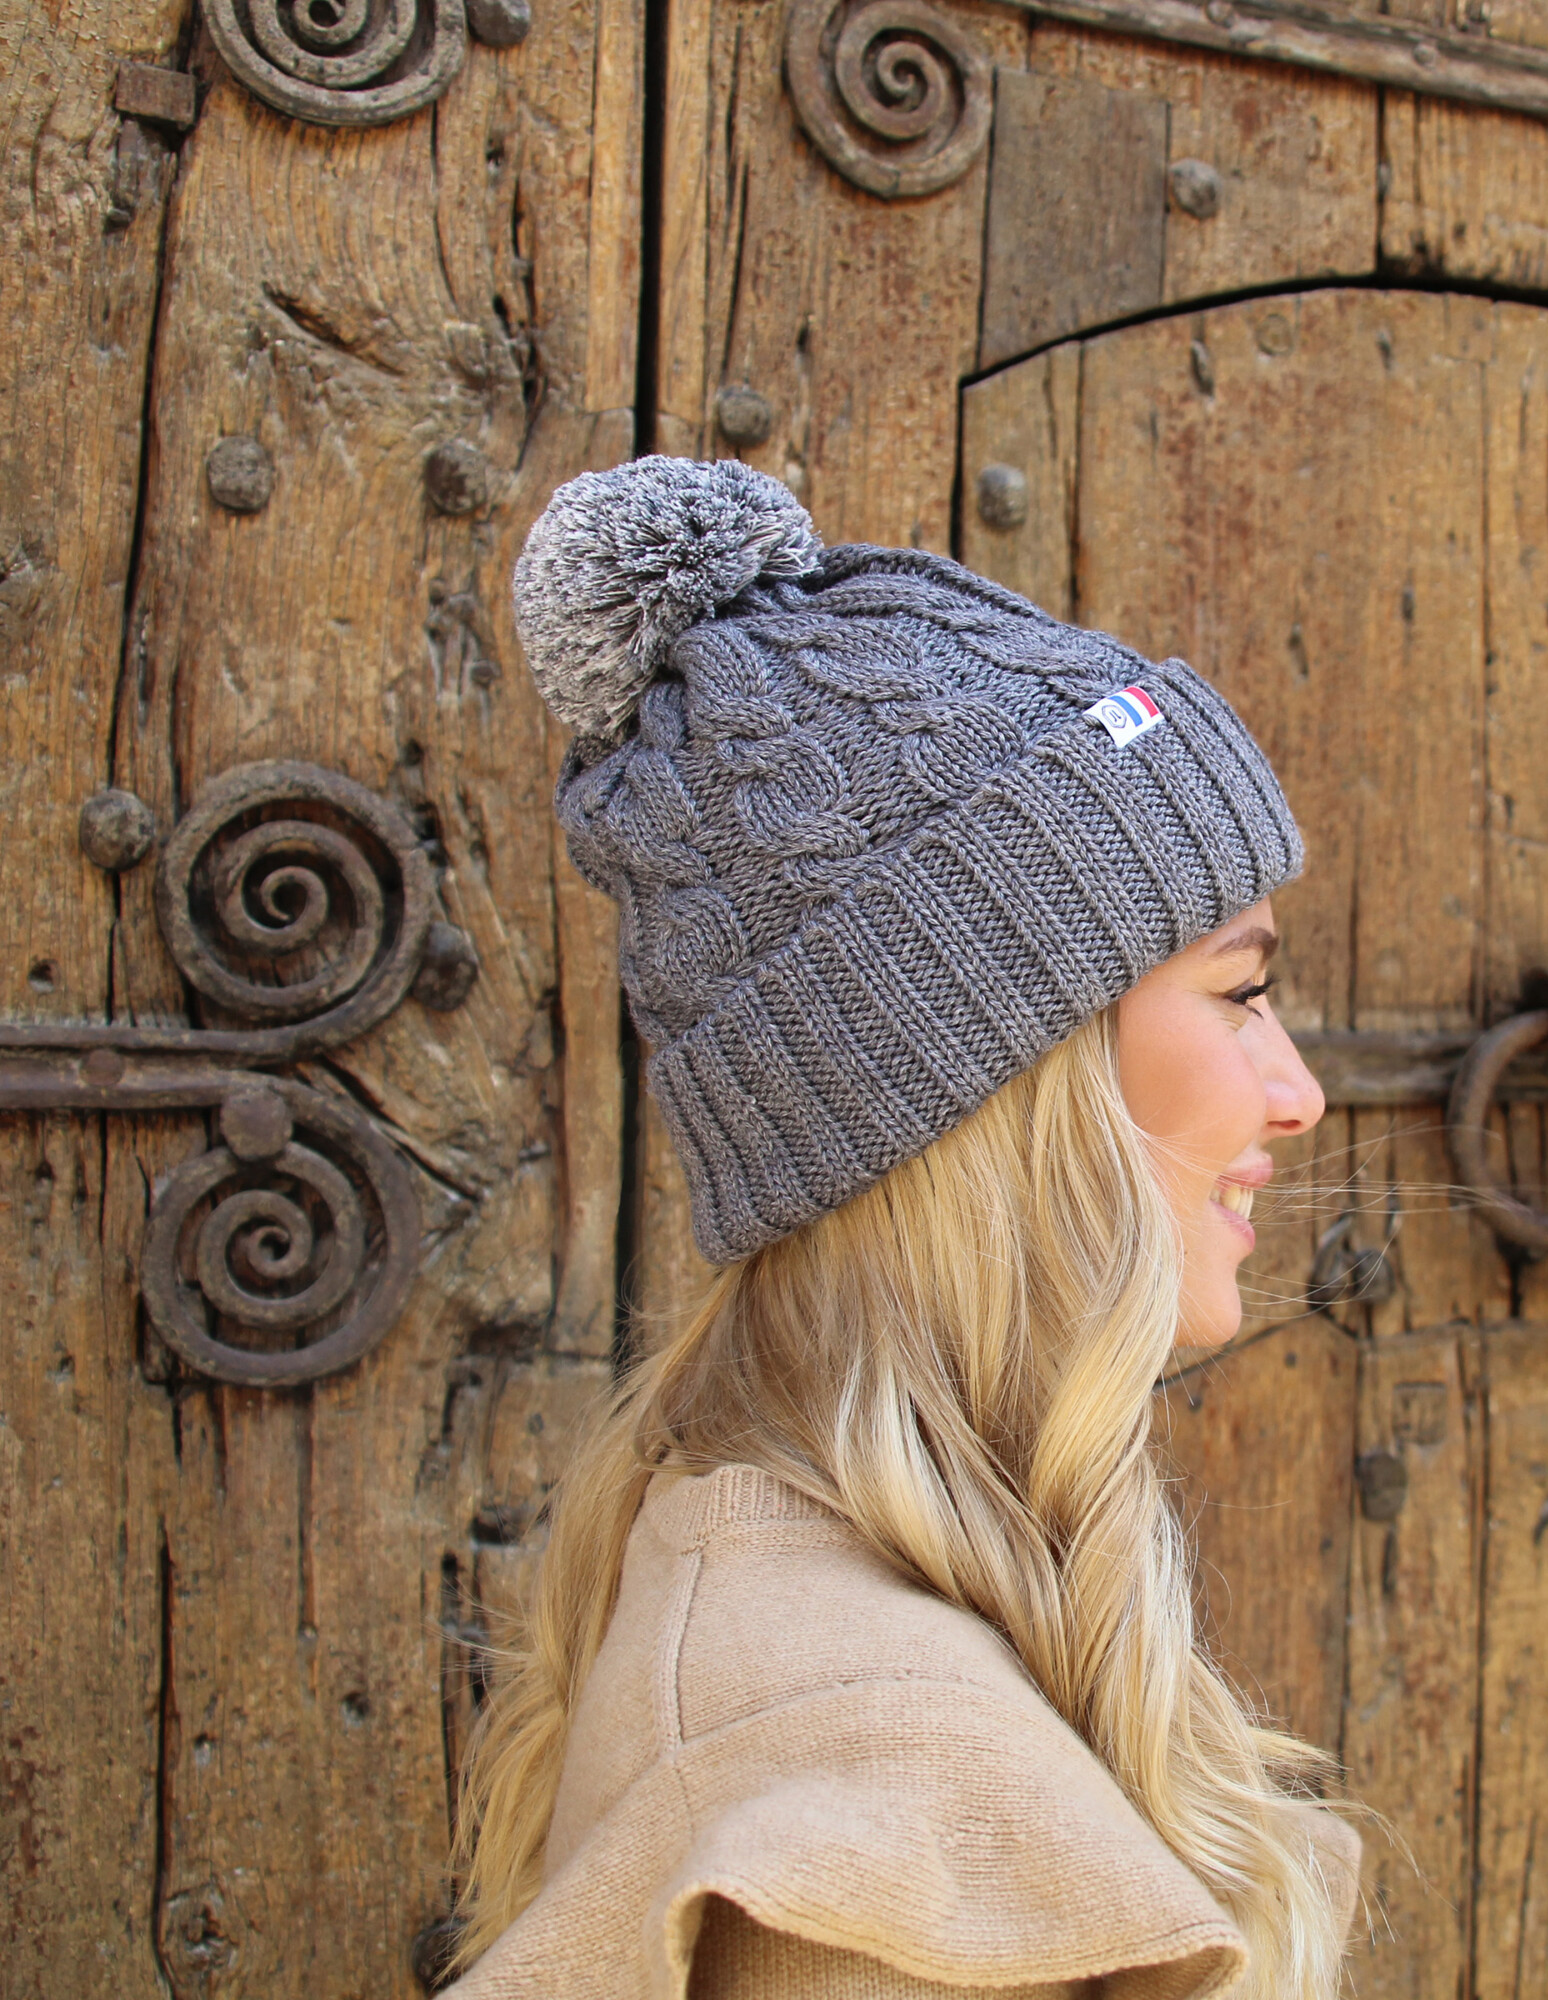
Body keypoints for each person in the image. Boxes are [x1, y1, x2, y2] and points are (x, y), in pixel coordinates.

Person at [443, 457, 1363, 1999]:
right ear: (996, 1092)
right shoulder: (875, 1825)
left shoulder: (835, 1619)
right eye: (1241, 991)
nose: (1299, 1095)